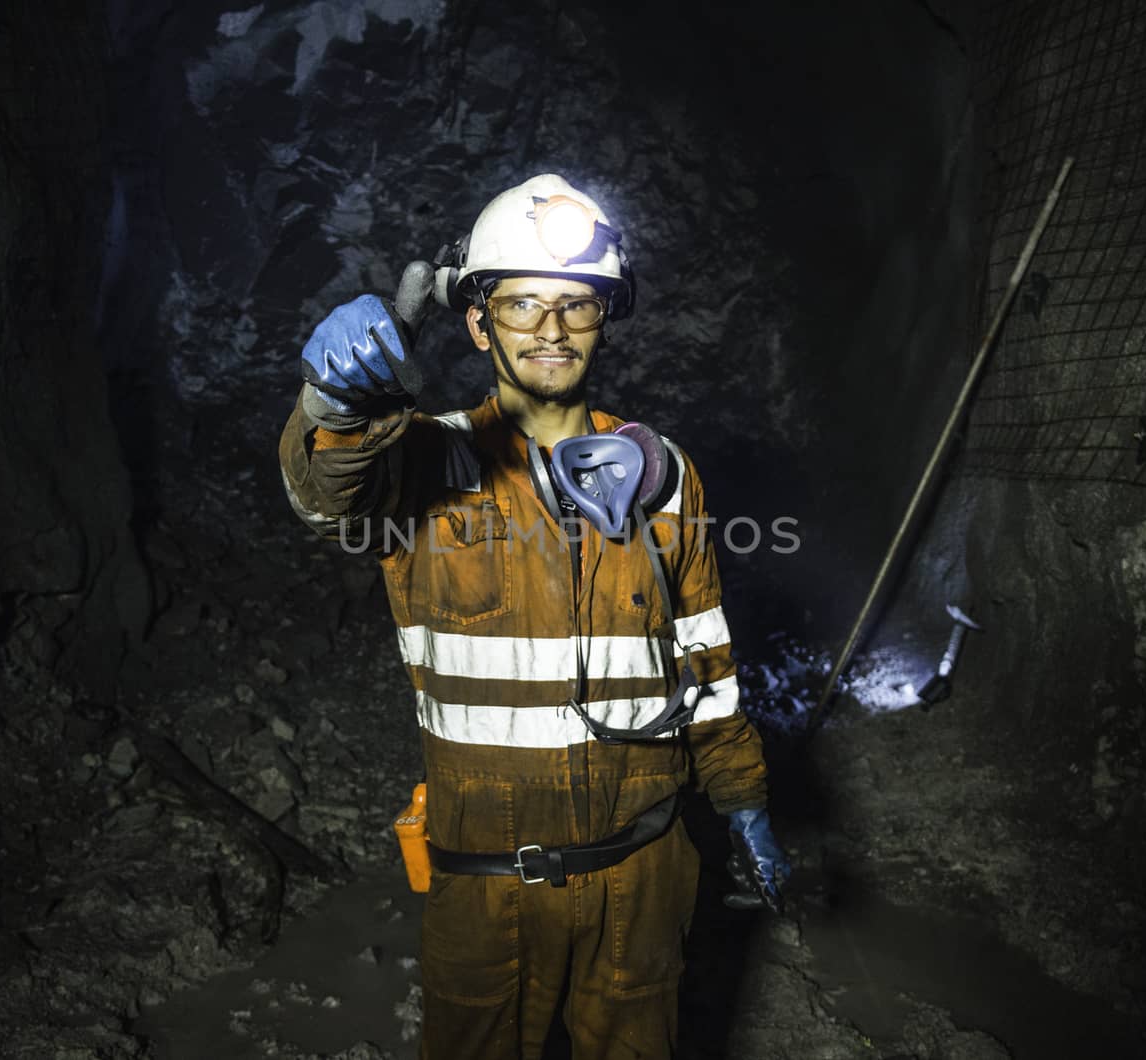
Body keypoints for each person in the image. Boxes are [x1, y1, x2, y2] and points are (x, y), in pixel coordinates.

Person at [278, 173, 788, 1059]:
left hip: (643, 877)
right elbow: (325, 493)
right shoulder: (425, 462)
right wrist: (333, 406)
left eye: (577, 306)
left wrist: (744, 799)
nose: (551, 330)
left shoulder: (664, 476)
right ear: (478, 322)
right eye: (520, 305)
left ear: (606, 318)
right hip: (488, 892)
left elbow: (705, 658)